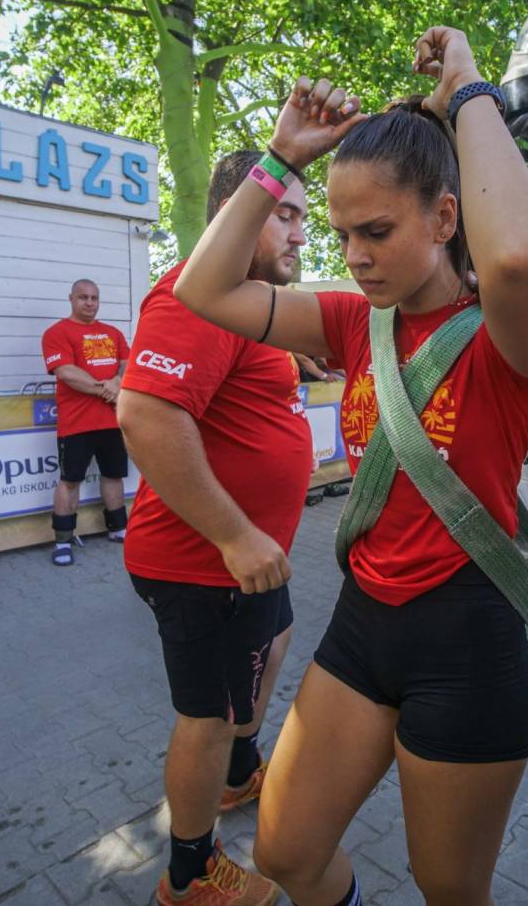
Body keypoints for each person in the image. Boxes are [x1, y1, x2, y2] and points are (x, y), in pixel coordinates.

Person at [174, 27, 528, 906]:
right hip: (362, 625)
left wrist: (470, 92)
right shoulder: (355, 322)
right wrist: (280, 158)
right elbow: (202, 290)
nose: (354, 255)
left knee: (448, 888)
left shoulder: (507, 330)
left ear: (445, 218)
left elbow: (513, 257)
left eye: (378, 231)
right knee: (285, 850)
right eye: (343, 233)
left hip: (468, 642)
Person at [117, 149, 313, 906]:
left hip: (251, 567)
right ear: (241, 212)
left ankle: (237, 773)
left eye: (303, 217)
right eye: (285, 215)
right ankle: (190, 873)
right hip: (203, 567)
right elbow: (144, 414)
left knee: (276, 640)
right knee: (208, 715)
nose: (301, 234)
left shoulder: (250, 303)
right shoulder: (196, 294)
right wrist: (235, 535)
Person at [41, 279, 131, 565]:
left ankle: (118, 528)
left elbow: (127, 363)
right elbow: (66, 373)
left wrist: (118, 381)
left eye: (94, 298)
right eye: (83, 297)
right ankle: (62, 541)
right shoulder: (56, 332)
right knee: (70, 481)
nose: (89, 302)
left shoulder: (113, 333)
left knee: (113, 475)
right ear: (71, 299)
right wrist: (107, 389)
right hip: (76, 423)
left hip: (112, 422)